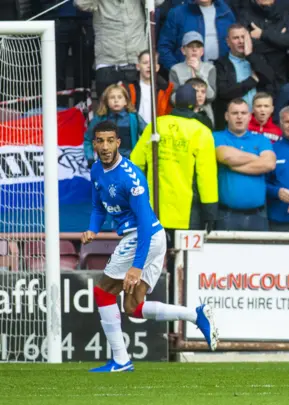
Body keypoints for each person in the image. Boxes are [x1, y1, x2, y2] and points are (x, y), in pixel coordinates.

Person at [83, 120, 218, 372]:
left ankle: (121, 361)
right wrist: (93, 228)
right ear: (94, 144)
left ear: (118, 143)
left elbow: (145, 223)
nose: (105, 146)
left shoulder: (130, 177)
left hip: (142, 237)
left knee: (103, 293)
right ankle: (195, 315)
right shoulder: (96, 171)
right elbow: (97, 207)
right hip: (150, 239)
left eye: (110, 140)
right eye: (100, 140)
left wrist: (135, 266)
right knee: (133, 308)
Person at [130, 85, 219, 234]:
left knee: (157, 256)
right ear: (195, 103)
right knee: (184, 257)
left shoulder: (155, 125)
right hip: (188, 214)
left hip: (153, 209)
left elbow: (136, 163)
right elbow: (206, 177)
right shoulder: (201, 131)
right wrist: (210, 212)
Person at [214, 99, 277, 231]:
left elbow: (269, 164)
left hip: (258, 215)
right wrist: (256, 158)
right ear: (226, 116)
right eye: (234, 113)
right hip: (226, 214)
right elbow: (226, 156)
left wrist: (235, 166)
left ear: (249, 116)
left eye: (243, 113)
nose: (239, 117)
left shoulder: (261, 139)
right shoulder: (215, 137)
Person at [157, 0, 236, 71]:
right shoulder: (178, 13)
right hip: (188, 78)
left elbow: (234, 46)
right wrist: (177, 71)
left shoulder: (227, 12)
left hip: (222, 78)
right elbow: (164, 47)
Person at [84, 84, 147, 165]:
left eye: (119, 97)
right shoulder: (99, 119)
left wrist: (142, 156)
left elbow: (148, 135)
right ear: (106, 101)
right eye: (112, 97)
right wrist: (90, 158)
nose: (116, 100)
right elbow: (88, 139)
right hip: (106, 164)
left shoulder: (134, 118)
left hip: (130, 163)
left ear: (125, 101)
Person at [126, 50, 174, 125]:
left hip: (158, 129)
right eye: (145, 63)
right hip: (135, 129)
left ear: (157, 67)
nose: (149, 66)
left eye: (152, 63)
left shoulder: (166, 88)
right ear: (138, 66)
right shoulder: (128, 87)